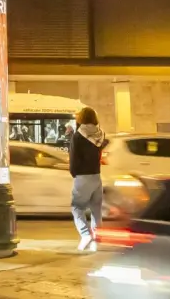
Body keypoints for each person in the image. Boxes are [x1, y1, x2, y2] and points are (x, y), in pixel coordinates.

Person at [68, 106, 109, 251]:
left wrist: (74, 173)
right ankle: (96, 241)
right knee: (96, 210)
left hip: (82, 177)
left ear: (81, 118)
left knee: (77, 208)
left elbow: (74, 158)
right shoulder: (101, 134)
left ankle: (85, 235)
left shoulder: (78, 136)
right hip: (96, 176)